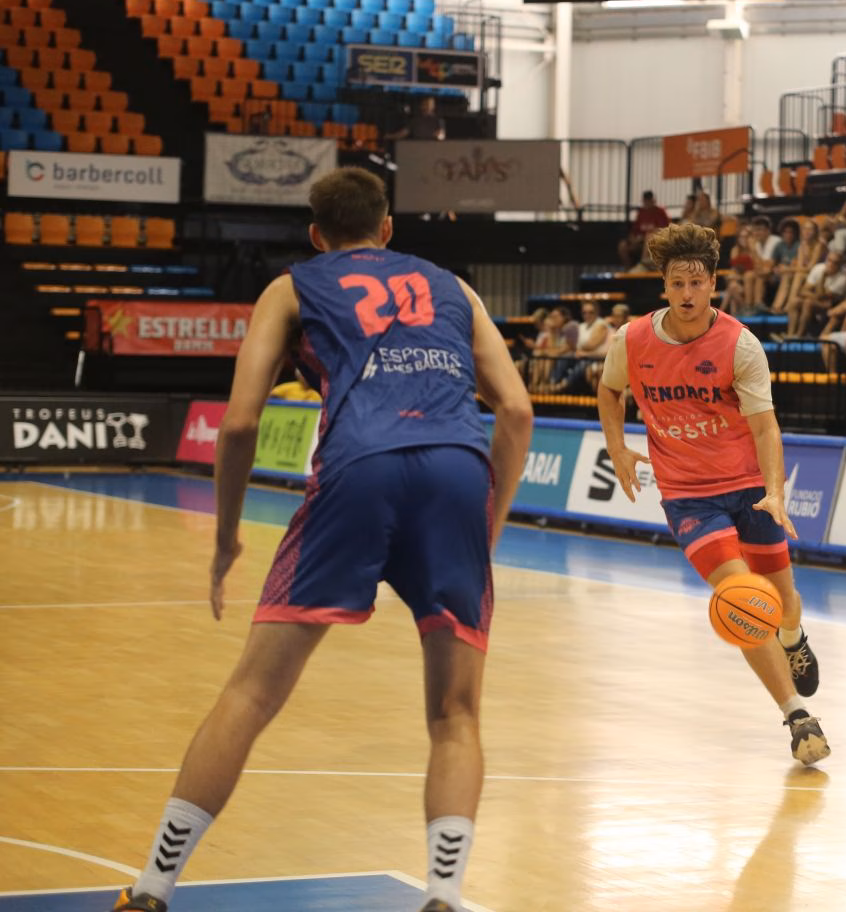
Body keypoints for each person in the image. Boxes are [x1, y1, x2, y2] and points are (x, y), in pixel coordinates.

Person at [110, 168, 534, 912]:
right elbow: (519, 410)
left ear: (315, 235)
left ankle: (151, 888)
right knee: (455, 714)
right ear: (388, 227)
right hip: (459, 475)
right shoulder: (454, 287)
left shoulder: (292, 288)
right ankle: (444, 894)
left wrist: (227, 540)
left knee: (250, 692)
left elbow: (239, 423)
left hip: (358, 470)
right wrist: (485, 528)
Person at [595, 223, 829, 765]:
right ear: (665, 286)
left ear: (713, 284)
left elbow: (767, 428)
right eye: (677, 283)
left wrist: (774, 493)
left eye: (696, 283)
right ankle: (798, 717)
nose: (687, 293)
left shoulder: (740, 344)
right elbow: (610, 391)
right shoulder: (631, 341)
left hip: (747, 486)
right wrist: (618, 447)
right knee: (742, 600)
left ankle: (793, 638)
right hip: (687, 495)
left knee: (782, 598)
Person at [620, 190, 672, 270]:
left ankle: (642, 266)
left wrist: (648, 235)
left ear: (653, 200)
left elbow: (666, 229)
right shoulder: (641, 212)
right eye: (645, 201)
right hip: (639, 242)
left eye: (649, 200)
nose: (647, 203)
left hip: (654, 242)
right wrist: (633, 240)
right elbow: (634, 231)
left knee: (649, 238)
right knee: (622, 246)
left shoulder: (660, 211)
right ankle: (628, 269)